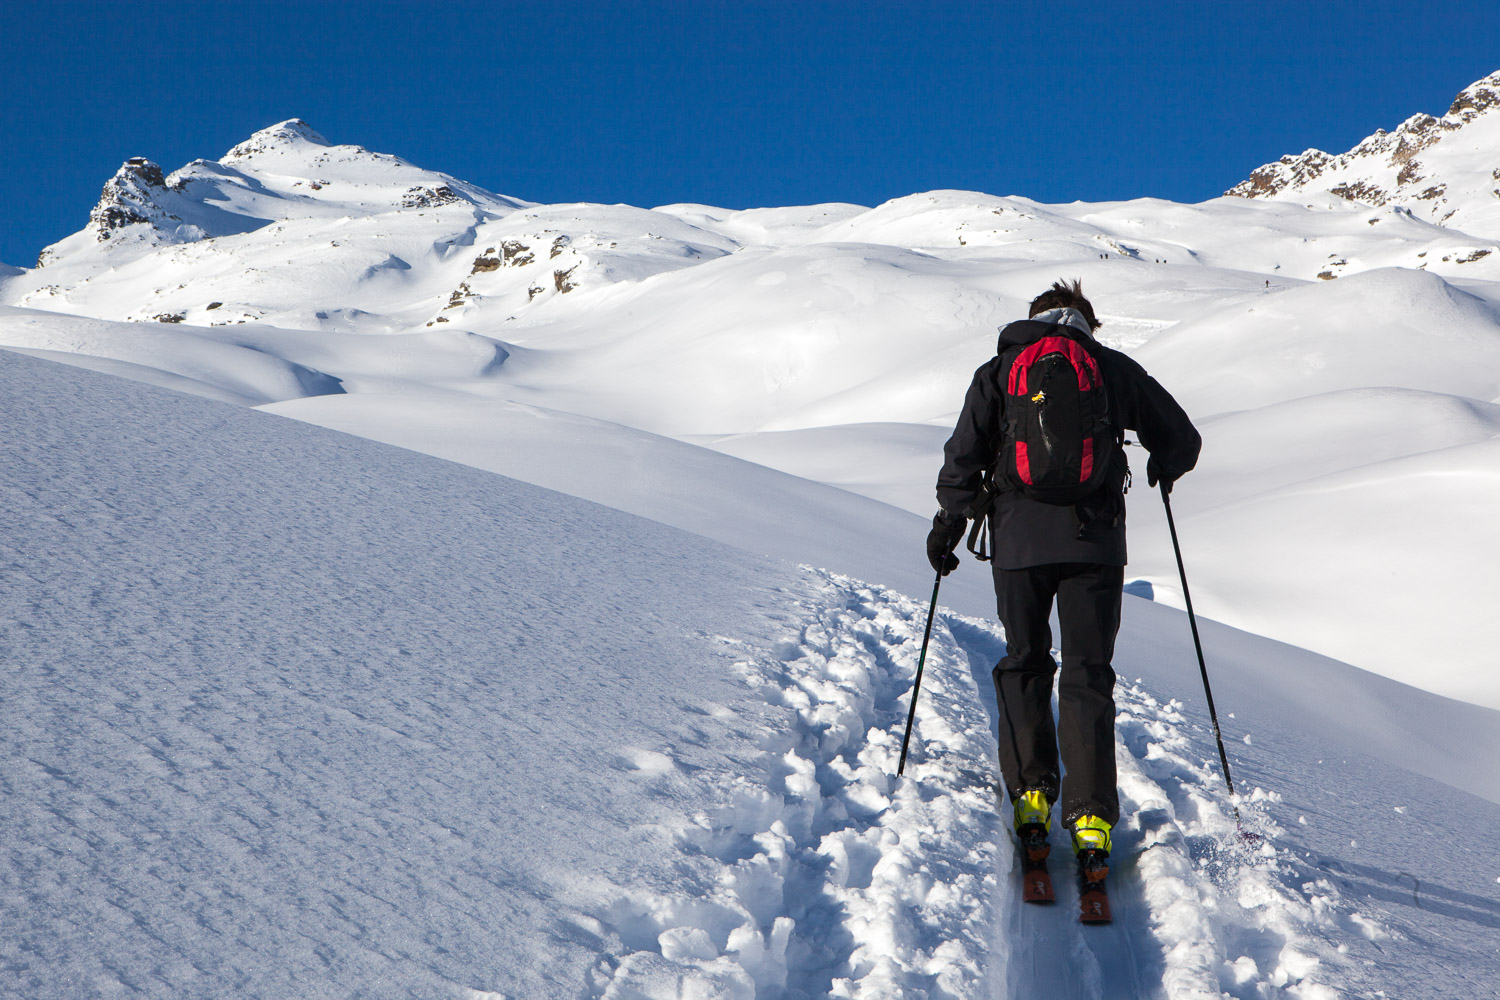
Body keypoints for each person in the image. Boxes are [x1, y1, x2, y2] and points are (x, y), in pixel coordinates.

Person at [926, 278, 1201, 885]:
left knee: (1025, 661)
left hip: (1019, 545)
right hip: (1094, 545)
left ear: (1034, 320)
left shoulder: (999, 369)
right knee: (1087, 673)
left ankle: (1031, 798)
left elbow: (962, 458)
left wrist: (948, 525)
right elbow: (1182, 439)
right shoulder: (1110, 368)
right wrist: (1163, 463)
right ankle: (1091, 821)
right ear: (1086, 323)